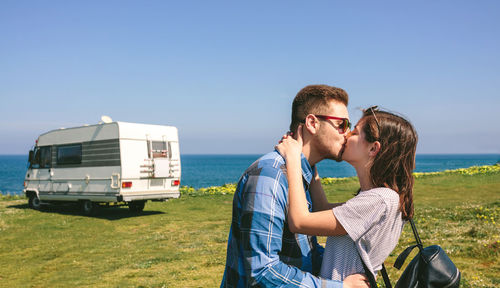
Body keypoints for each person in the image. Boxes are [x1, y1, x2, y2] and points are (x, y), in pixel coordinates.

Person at [220, 85, 370, 287]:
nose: (348, 134)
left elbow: (304, 254)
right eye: (342, 125)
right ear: (312, 123)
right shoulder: (270, 175)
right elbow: (262, 272)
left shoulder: (301, 173)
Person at [276, 107, 417, 282]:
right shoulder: (382, 197)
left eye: (355, 132)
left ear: (373, 148)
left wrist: (293, 158)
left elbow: (299, 221)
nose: (347, 135)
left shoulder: (379, 200)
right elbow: (322, 209)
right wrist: (309, 158)